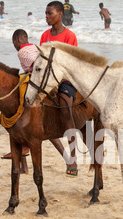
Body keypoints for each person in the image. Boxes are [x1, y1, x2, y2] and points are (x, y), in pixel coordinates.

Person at [3, 29, 74, 167]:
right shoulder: (34, 47)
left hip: (40, 85)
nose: (14, 46)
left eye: (13, 43)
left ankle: (24, 150)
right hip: (49, 80)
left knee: (20, 114)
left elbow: (39, 66)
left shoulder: (22, 52)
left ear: (17, 40)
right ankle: (25, 157)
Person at [40, 1, 79, 176]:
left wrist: (55, 84)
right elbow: (41, 60)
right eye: (46, 14)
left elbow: (71, 63)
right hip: (46, 80)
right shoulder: (44, 36)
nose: (47, 16)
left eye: (50, 13)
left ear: (60, 15)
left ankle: (73, 156)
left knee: (65, 109)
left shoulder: (70, 36)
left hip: (65, 79)